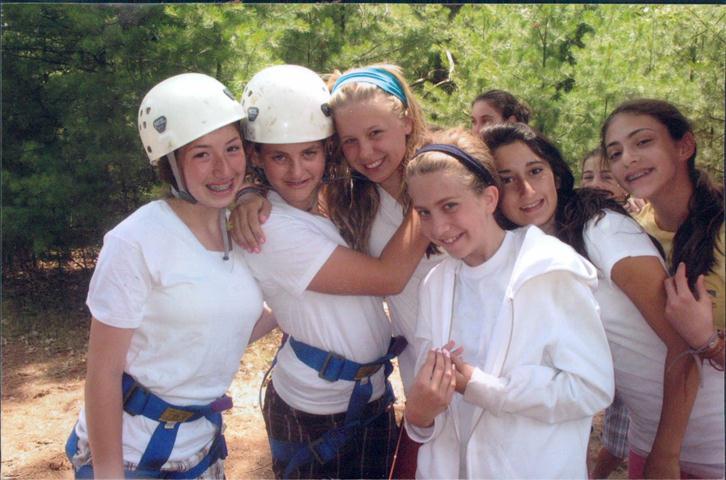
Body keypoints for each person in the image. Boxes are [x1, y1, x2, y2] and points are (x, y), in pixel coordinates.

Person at [231, 64, 441, 479]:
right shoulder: (294, 218)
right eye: (279, 157)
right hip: (334, 403)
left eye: (309, 153)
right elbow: (387, 277)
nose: (297, 171)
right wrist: (431, 192)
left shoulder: (344, 200)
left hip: (383, 389)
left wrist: (250, 189)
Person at [482, 121, 724, 479]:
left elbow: (682, 344)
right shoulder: (529, 251)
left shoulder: (600, 228)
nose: (526, 189)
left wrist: (666, 453)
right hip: (648, 435)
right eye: (507, 178)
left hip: (709, 437)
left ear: (556, 175)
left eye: (535, 171)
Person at [64, 73, 276, 478]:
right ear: (171, 164)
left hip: (200, 446)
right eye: (201, 154)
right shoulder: (136, 241)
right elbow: (103, 373)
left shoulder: (237, 232)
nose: (223, 168)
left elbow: (218, 331)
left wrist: (294, 307)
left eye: (232, 148)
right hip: (132, 453)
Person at [403, 128, 614, 479]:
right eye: (424, 212)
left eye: (450, 206)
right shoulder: (435, 284)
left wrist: (483, 388)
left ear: (489, 198)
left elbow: (591, 388)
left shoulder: (549, 270)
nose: (438, 227)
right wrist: (419, 416)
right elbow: (431, 410)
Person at [581, 147, 644, 214]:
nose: (595, 184)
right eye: (588, 177)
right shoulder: (575, 214)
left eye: (606, 177)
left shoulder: (641, 215)